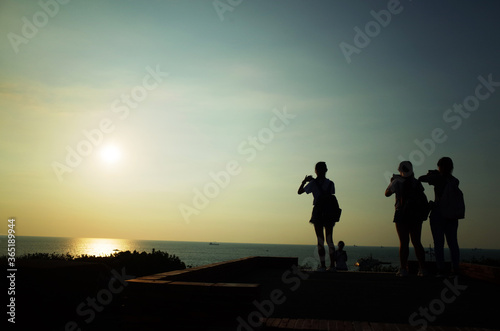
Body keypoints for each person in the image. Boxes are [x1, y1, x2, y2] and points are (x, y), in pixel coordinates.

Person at [419, 157, 461, 277]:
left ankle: (441, 269)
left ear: (440, 166)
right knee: (453, 243)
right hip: (452, 215)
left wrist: (433, 173)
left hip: (438, 213)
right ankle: (456, 269)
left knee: (438, 243)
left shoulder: (437, 178)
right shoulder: (455, 181)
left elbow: (421, 179)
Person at [385, 161, 427, 277]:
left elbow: (387, 193)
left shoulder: (397, 181)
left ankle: (403, 269)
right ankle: (423, 269)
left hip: (401, 213)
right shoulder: (416, 182)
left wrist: (391, 182)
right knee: (417, 242)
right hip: (416, 215)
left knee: (403, 242)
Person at [298, 161, 336, 272]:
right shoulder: (331, 183)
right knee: (330, 240)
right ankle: (333, 266)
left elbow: (299, 192)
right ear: (326, 170)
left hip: (318, 212)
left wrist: (305, 181)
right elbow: (331, 195)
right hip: (329, 212)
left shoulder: (313, 184)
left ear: (316, 171)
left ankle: (323, 266)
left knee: (320, 240)